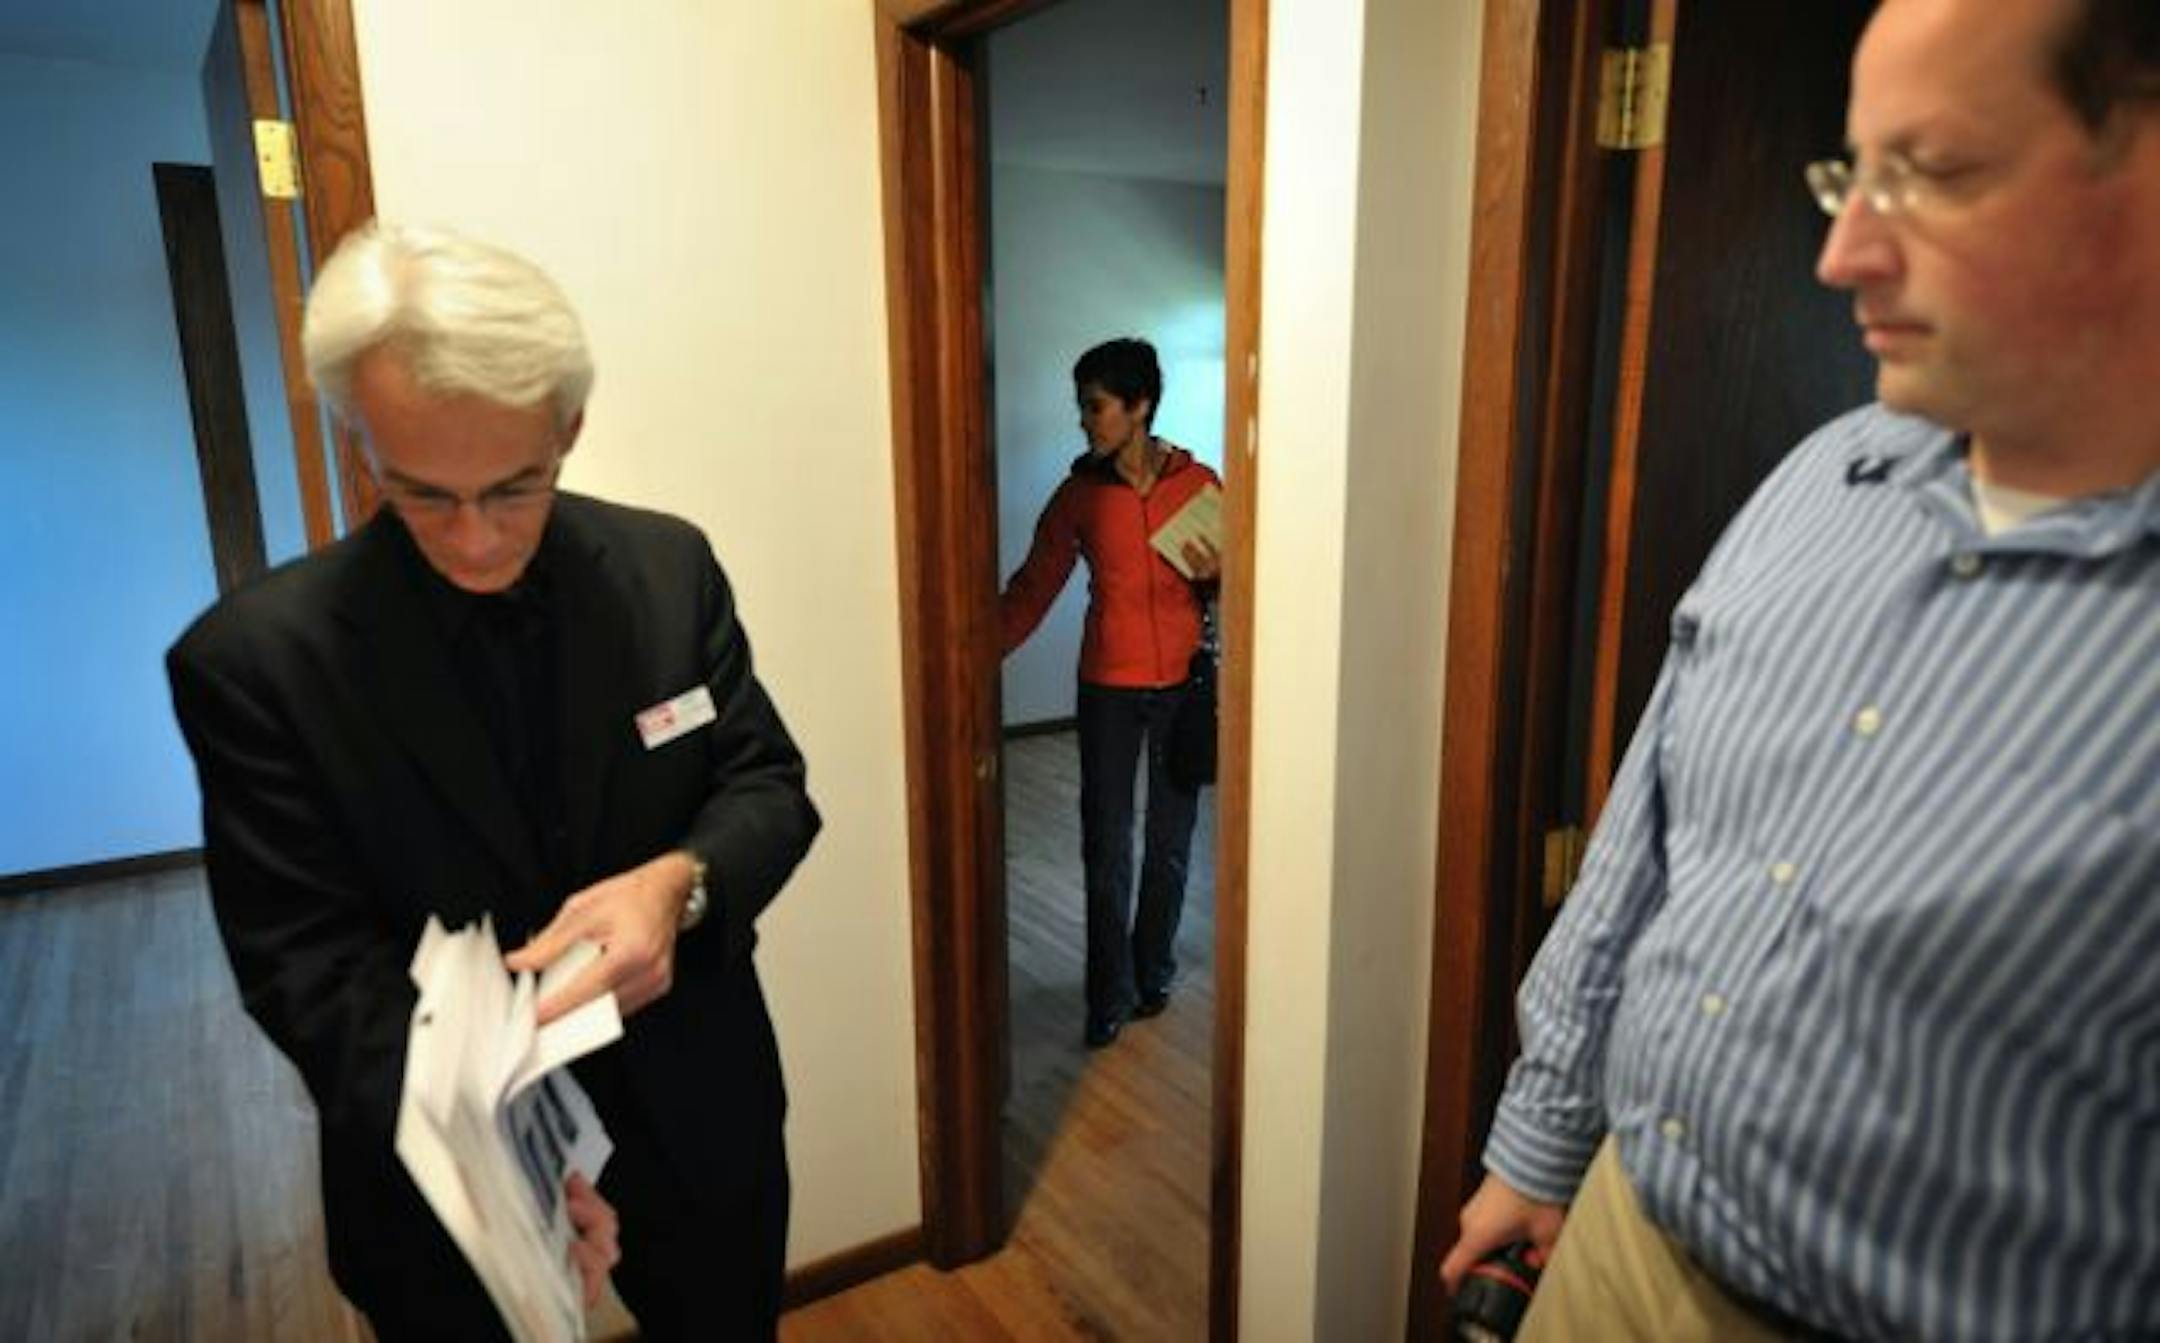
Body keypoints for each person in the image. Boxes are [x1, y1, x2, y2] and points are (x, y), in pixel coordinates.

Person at [1440, 0, 2160, 1337]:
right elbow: (1647, 835)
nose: (1841, 256)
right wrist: (1543, 1143)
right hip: (1616, 1239)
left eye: (1931, 174)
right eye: (1851, 172)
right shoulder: (1824, 474)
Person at [166, 222, 820, 1341]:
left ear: (567, 426)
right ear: (359, 438)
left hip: (697, 1116)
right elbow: (307, 970)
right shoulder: (257, 664)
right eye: (422, 492)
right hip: (443, 1169)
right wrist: (497, 1161)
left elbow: (766, 782)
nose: (473, 539)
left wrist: (684, 882)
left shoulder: (669, 569)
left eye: (515, 488)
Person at [1000, 337, 1223, 1049]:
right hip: (1107, 692)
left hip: (1182, 690)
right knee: (1107, 847)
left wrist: (1220, 576)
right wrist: (966, 659)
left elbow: (1242, 588)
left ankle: (1152, 968)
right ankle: (1108, 992)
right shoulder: (1077, 496)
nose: (1085, 420)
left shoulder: (1201, 486)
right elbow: (1031, 589)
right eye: (1082, 406)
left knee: (1169, 844)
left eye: (1095, 406)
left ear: (1139, 406)